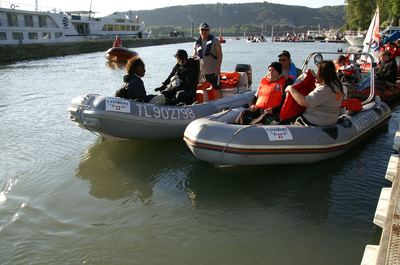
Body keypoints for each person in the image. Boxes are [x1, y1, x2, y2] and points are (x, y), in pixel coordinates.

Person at [285, 60, 344, 127]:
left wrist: (290, 88)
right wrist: (315, 77)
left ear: (321, 73)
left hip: (317, 121)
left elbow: (303, 102)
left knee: (291, 116)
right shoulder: (337, 85)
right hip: (331, 119)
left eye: (318, 71)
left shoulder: (324, 89)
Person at [193, 22, 223, 88]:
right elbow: (194, 58)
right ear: (199, 31)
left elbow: (220, 55)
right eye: (202, 30)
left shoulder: (215, 41)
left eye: (206, 30)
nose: (204, 31)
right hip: (202, 74)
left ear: (209, 31)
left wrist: (218, 68)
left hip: (213, 72)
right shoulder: (196, 43)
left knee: (216, 89)